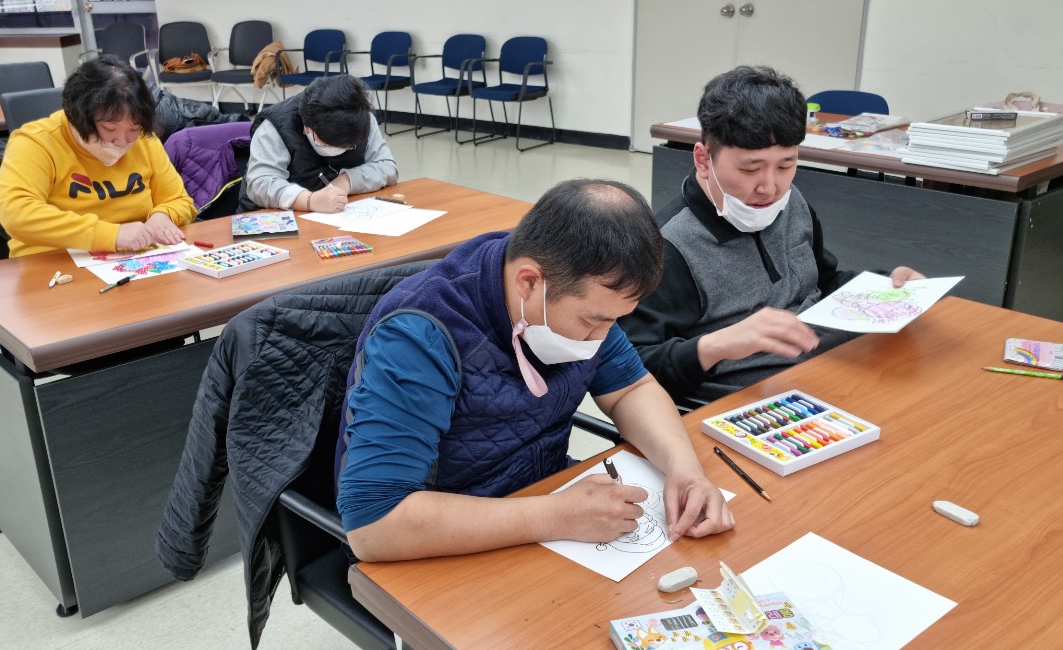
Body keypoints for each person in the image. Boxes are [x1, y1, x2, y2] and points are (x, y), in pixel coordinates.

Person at [335, 179, 735, 563]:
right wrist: (558, 515)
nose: (601, 338)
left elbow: (631, 389)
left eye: (614, 321)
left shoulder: (574, 286)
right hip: (443, 537)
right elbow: (374, 525)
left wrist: (685, 470)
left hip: (539, 499)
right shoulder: (418, 336)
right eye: (591, 322)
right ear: (528, 282)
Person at [624, 65, 923, 409]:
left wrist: (887, 286)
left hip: (833, 370)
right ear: (703, 160)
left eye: (785, 165)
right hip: (761, 407)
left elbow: (822, 282)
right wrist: (715, 345)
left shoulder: (791, 203)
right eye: (750, 169)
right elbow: (629, 369)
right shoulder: (667, 247)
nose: (770, 188)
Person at [0, 54, 196, 257]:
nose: (122, 141)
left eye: (134, 129)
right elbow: (16, 213)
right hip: (53, 260)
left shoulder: (145, 139)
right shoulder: (37, 142)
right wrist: (111, 235)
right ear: (78, 118)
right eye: (109, 129)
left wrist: (163, 216)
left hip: (132, 258)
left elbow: (179, 199)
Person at [238, 74, 398, 213]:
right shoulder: (276, 126)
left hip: (335, 214)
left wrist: (346, 181)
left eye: (347, 147)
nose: (338, 151)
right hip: (271, 217)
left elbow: (387, 166)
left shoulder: (361, 118)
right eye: (327, 145)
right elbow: (260, 183)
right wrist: (309, 200)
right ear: (307, 127)